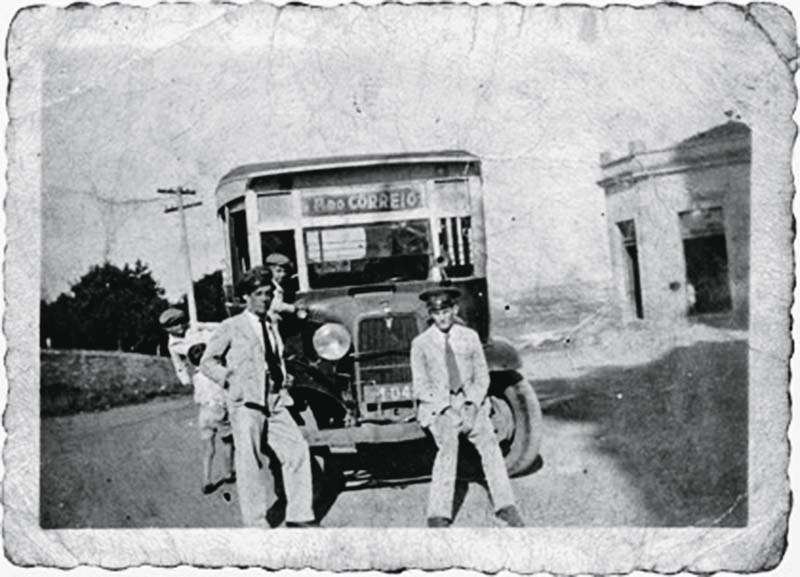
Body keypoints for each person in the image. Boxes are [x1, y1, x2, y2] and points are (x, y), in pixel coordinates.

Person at [200, 266, 315, 528]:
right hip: (246, 404)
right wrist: (229, 380)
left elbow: (273, 358)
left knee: (297, 450)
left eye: (268, 293)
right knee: (249, 462)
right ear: (246, 297)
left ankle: (299, 515)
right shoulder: (232, 326)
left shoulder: (272, 325)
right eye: (259, 294)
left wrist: (284, 377)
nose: (265, 298)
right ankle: (255, 523)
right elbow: (208, 362)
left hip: (275, 399)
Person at [410, 286, 525, 528]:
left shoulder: (469, 337)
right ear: (430, 314)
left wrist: (472, 404)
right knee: (448, 446)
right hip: (439, 407)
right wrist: (446, 409)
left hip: (468, 402)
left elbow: (482, 376)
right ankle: (438, 514)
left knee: (489, 442)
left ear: (454, 309)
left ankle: (506, 506)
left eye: (446, 311)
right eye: (436, 312)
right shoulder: (421, 344)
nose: (441, 317)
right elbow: (420, 386)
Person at [187, 342, 235, 495]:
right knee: (228, 441)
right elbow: (226, 393)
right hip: (219, 410)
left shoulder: (196, 377)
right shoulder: (217, 374)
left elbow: (197, 397)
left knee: (208, 448)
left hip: (204, 412)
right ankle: (228, 472)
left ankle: (206, 479)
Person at [159, 308, 193, 387]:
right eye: (175, 325)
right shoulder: (172, 345)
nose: (180, 326)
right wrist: (186, 381)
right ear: (166, 329)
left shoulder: (194, 327)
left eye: (181, 322)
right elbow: (179, 365)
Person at [265, 252, 297, 321]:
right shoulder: (269, 287)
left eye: (284, 271)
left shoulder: (282, 286)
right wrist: (292, 308)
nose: (283, 274)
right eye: (278, 271)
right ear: (269, 270)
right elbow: (276, 306)